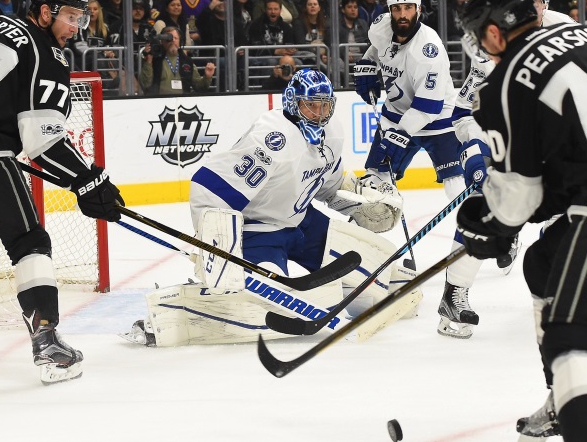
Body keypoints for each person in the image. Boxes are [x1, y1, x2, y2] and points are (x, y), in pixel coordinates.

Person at [121, 68, 418, 347]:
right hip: (259, 230)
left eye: (324, 107)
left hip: (303, 222)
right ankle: (181, 309)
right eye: (310, 106)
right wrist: (217, 249)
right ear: (292, 103)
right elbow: (209, 190)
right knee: (275, 308)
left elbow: (327, 184)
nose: (318, 115)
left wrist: (358, 202)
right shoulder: (271, 140)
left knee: (375, 286)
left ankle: (389, 276)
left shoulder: (333, 132)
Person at [0, 0, 124, 384]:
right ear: (45, 12)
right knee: (28, 241)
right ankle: (47, 342)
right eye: (70, 17)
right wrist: (91, 180)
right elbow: (44, 141)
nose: (76, 28)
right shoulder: (49, 54)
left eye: (81, 19)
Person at [458, 0, 587, 440]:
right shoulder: (577, 32)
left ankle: (570, 399)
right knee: (541, 263)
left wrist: (490, 226)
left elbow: (518, 198)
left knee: (569, 342)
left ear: (494, 33)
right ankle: (559, 397)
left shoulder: (506, 81)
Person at [354, 0, 475, 333]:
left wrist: (398, 136)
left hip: (436, 121)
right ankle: (367, 260)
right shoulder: (381, 27)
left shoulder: (429, 49)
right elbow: (375, 49)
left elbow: (427, 107)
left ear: (419, 10)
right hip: (395, 116)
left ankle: (473, 250)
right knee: (373, 185)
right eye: (397, 8)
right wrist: (366, 62)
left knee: (457, 191)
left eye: (408, 8)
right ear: (390, 10)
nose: (402, 14)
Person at [138, 26, 215, 95]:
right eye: (169, 38)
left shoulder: (187, 61)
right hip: (159, 103)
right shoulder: (155, 60)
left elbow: (199, 87)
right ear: (162, 41)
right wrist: (148, 61)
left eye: (175, 38)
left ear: (180, 41)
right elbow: (145, 85)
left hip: (182, 103)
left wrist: (207, 77)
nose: (172, 41)